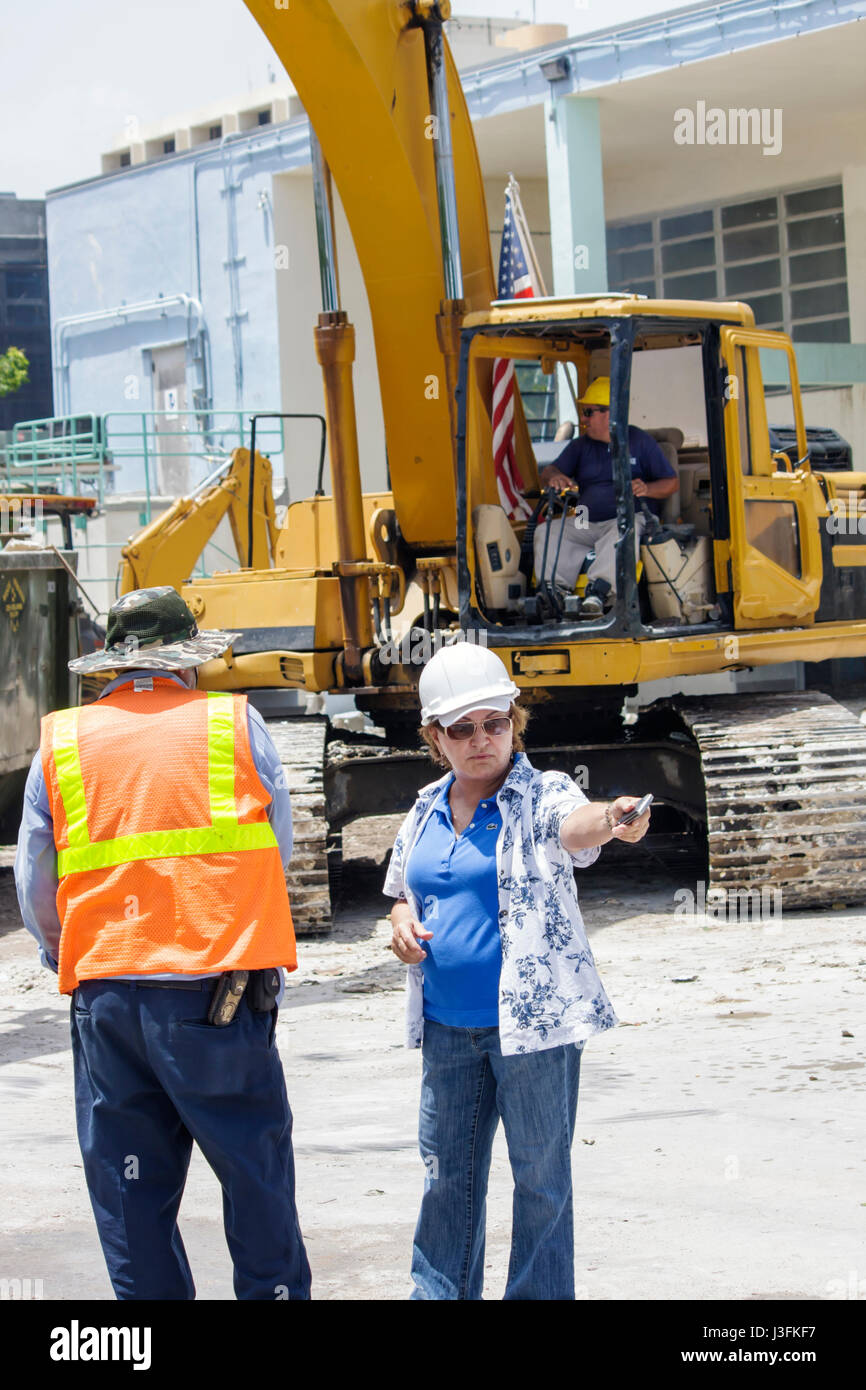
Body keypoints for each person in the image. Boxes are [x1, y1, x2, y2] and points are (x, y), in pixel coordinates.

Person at [15, 586, 311, 1301]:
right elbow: (279, 847)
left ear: (112, 662)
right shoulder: (234, 726)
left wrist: (72, 954)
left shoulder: (61, 740)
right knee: (253, 1172)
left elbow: (35, 882)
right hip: (218, 998)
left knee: (130, 1188)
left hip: (108, 1000)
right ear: (189, 660)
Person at [385, 642, 650, 1300]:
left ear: (514, 721)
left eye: (495, 722)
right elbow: (401, 892)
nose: (482, 740)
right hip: (448, 1030)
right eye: (461, 728)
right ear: (434, 736)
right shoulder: (424, 809)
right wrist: (398, 925)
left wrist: (613, 822)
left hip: (534, 1033)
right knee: (448, 1179)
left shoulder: (542, 796)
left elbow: (577, 825)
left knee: (539, 1181)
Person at [533, 375, 678, 611]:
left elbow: (672, 483)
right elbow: (549, 470)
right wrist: (555, 477)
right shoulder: (580, 445)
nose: (583, 419)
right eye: (583, 412)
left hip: (625, 517)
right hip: (584, 517)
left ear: (610, 414)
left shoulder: (640, 441)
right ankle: (553, 592)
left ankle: (599, 593)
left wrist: (648, 488)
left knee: (622, 530)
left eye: (589, 412)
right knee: (546, 530)